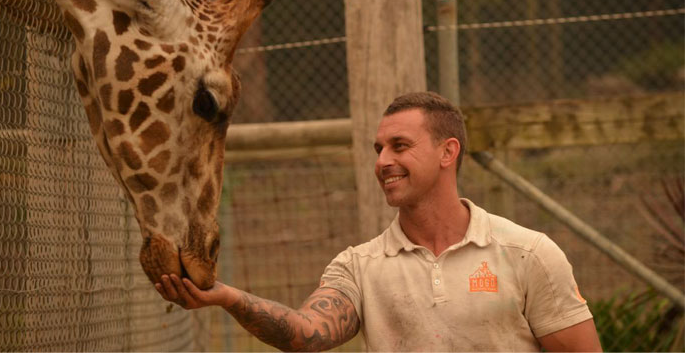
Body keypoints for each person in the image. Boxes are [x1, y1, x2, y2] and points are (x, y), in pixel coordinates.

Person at [155, 91, 602, 352]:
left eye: (400, 146)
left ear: (448, 152)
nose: (384, 161)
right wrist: (227, 297)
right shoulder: (360, 267)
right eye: (378, 149)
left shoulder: (527, 254)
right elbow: (306, 333)